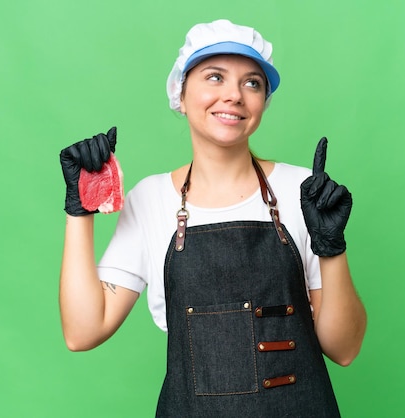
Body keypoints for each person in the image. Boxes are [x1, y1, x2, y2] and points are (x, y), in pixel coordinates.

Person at [59, 19, 367, 417]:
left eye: (252, 83)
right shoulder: (151, 199)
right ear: (180, 94)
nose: (234, 95)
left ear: (263, 102)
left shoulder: (304, 191)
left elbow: (345, 349)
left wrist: (332, 248)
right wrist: (80, 211)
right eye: (215, 77)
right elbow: (83, 331)